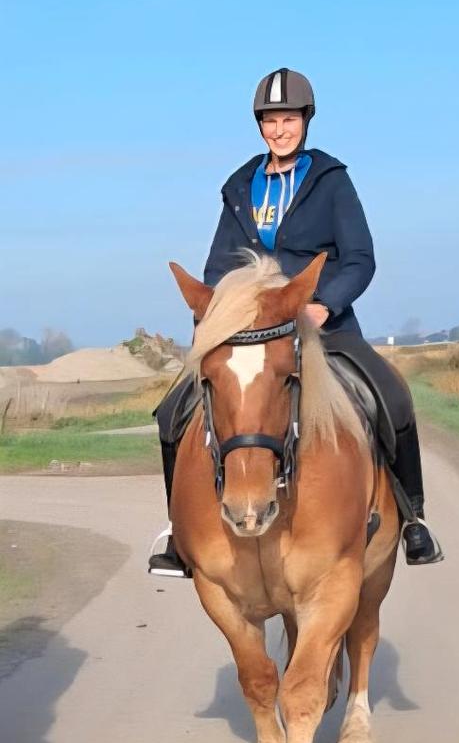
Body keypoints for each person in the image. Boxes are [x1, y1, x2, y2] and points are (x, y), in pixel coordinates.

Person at [149, 67, 442, 576]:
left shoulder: (330, 180)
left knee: (392, 394)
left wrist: (323, 303)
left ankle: (413, 517)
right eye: (270, 120)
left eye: (288, 119)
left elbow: (360, 258)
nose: (279, 130)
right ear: (259, 126)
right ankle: (180, 531)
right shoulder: (240, 186)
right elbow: (219, 268)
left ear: (306, 121)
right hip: (254, 331)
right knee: (173, 411)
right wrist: (222, 315)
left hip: (323, 324)